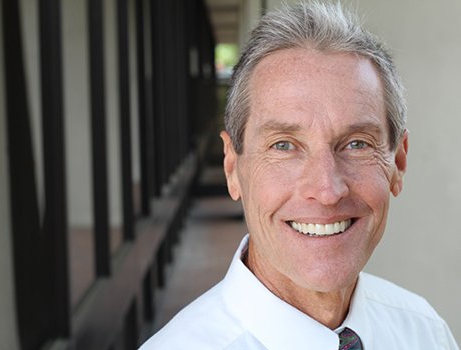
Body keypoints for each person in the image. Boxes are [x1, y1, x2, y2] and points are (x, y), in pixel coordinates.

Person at [140, 1, 459, 349]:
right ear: (232, 167)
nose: (326, 190)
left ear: (398, 162)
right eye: (283, 146)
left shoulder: (425, 332)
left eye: (356, 144)